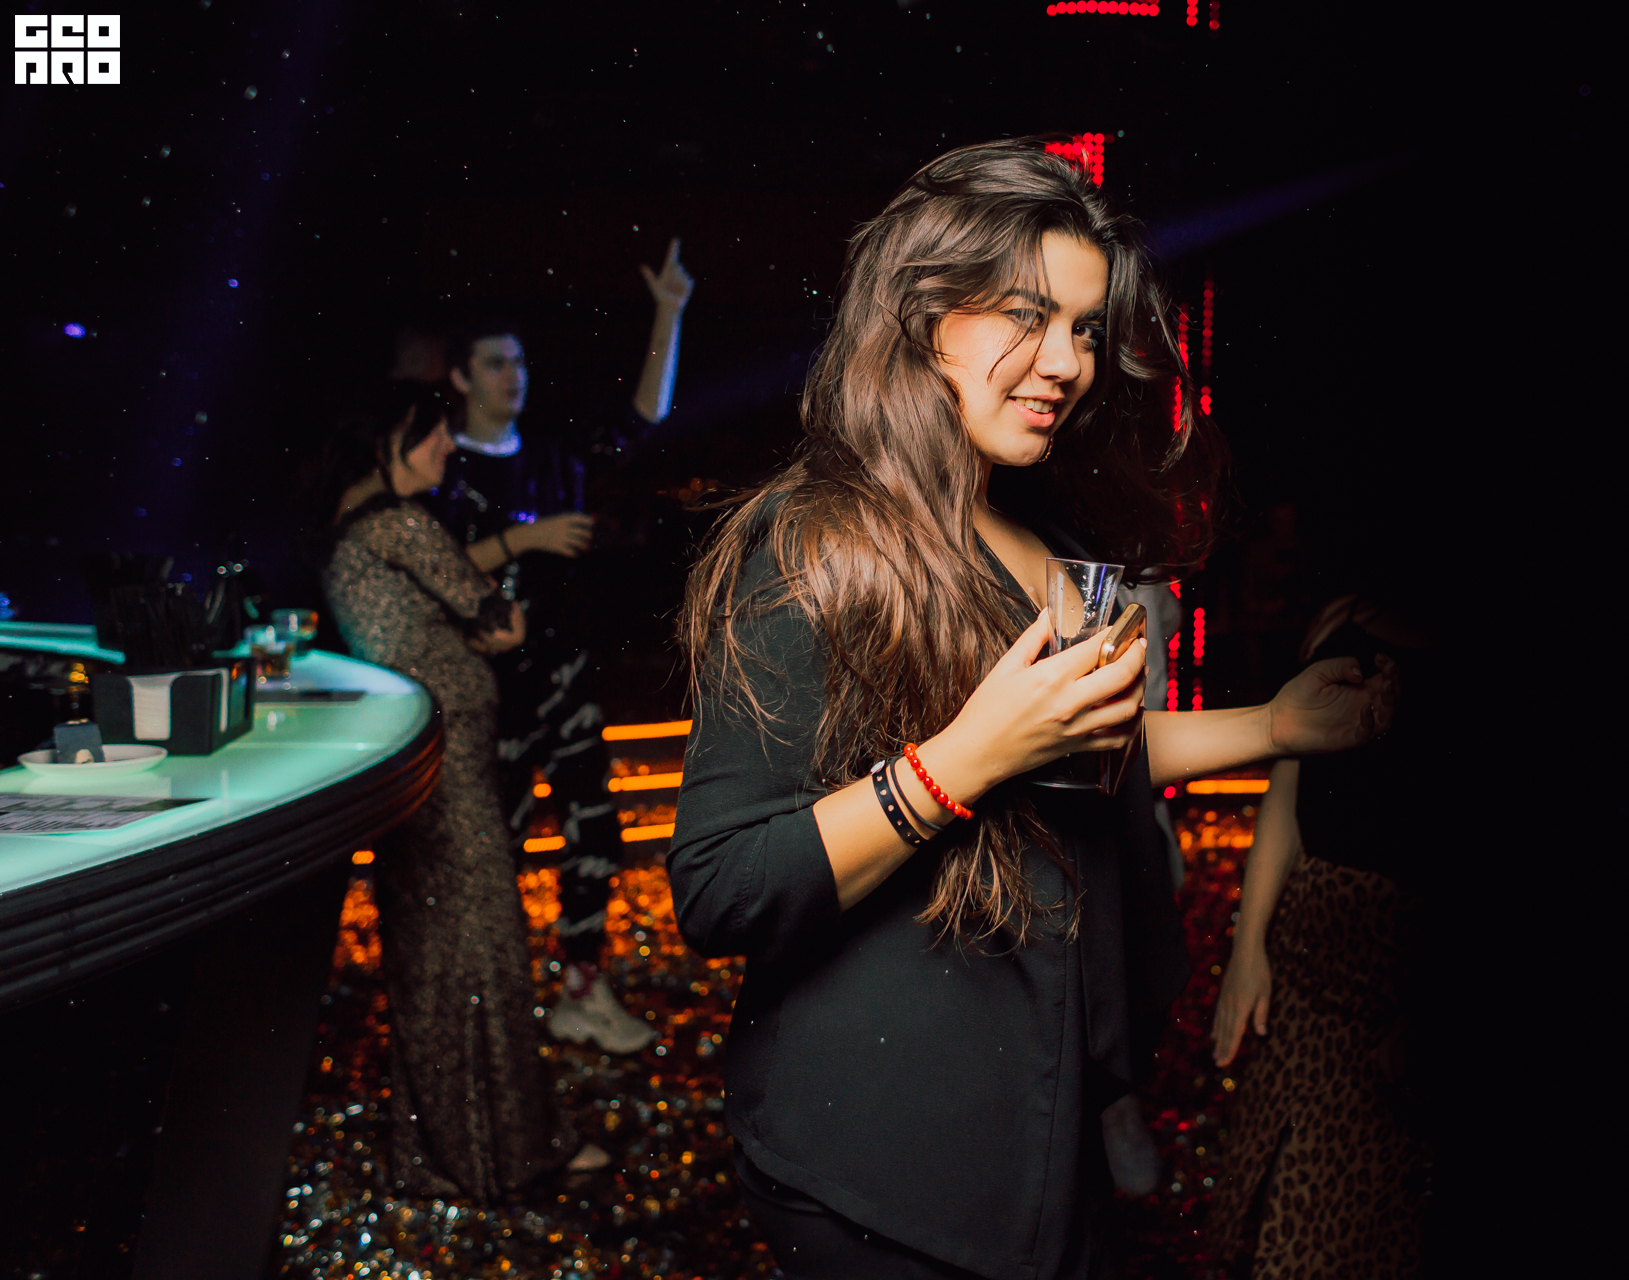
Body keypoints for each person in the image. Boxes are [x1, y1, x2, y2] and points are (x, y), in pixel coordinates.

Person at [667, 139, 1397, 1279]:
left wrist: (1273, 729)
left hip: (1040, 1120)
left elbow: (1080, 753)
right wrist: (962, 761)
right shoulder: (819, 545)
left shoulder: (1038, 532)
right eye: (1026, 316)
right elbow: (719, 885)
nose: (1066, 362)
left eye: (1086, 329)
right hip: (881, 1163)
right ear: (923, 319)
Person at [318, 381, 608, 1200]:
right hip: (451, 787)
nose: (447, 448)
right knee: (487, 959)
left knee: (435, 970)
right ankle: (512, 1155)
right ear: (390, 440)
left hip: (420, 774)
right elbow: (503, 622)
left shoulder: (350, 528)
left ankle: (447, 1156)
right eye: (432, 435)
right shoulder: (401, 525)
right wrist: (487, 618)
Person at [422, 238, 694, 1055]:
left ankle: (582, 989)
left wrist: (668, 311)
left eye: (519, 361)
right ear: (461, 377)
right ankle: (491, 1008)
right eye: (496, 363)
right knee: (494, 851)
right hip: (485, 692)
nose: (515, 375)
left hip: (564, 679)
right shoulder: (440, 469)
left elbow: (642, 415)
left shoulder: (549, 454)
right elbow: (424, 566)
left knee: (594, 831)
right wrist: (524, 539)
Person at [1206, 591, 1440, 1278]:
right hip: (1305, 948)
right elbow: (1290, 776)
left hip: (1398, 966)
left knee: (1360, 1227)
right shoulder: (1346, 617)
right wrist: (1248, 948)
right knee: (1263, 1199)